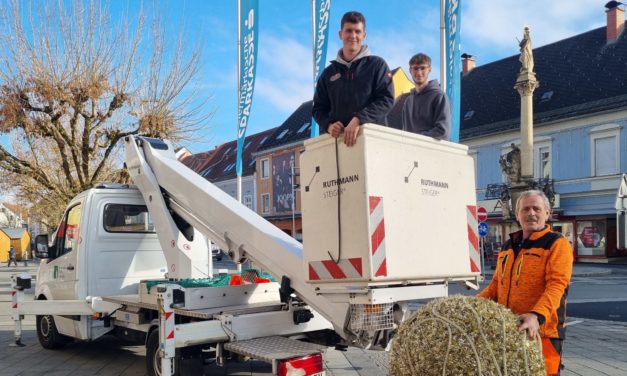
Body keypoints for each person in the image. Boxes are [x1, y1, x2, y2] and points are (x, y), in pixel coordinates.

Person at [478, 190, 573, 375]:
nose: (531, 213)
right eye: (526, 209)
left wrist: (536, 316)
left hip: (542, 333)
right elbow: (496, 286)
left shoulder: (556, 243)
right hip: (510, 330)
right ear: (517, 214)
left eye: (537, 208)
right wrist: (469, 305)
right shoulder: (508, 246)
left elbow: (557, 286)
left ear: (547, 212)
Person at [312, 11, 394, 147]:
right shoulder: (328, 74)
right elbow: (318, 108)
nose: (353, 36)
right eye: (348, 31)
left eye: (357, 31)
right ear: (340, 34)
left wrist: (359, 119)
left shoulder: (377, 65)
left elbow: (386, 99)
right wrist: (328, 125)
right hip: (339, 146)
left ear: (364, 35)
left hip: (373, 143)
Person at [387, 53, 451, 140]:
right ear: (410, 70)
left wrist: (415, 138)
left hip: (431, 151)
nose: (419, 72)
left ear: (430, 69)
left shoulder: (439, 96)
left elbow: (443, 132)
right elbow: (406, 133)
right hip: (411, 151)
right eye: (415, 68)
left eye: (423, 68)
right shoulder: (408, 101)